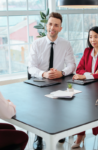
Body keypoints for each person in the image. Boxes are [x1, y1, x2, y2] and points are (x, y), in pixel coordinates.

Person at [28, 12, 76, 150]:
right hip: (40, 83)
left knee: (61, 107)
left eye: (56, 25)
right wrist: (44, 73)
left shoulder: (65, 44)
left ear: (60, 28)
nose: (52, 27)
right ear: (46, 26)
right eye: (50, 24)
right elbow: (31, 67)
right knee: (41, 109)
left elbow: (72, 65)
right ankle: (39, 136)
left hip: (58, 81)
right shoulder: (37, 44)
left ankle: (60, 130)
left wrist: (61, 72)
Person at [71, 26, 98, 149]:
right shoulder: (86, 51)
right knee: (80, 108)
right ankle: (80, 135)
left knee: (92, 108)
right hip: (88, 87)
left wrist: (85, 76)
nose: (93, 39)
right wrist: (93, 74)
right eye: (90, 37)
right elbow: (79, 69)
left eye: (96, 36)